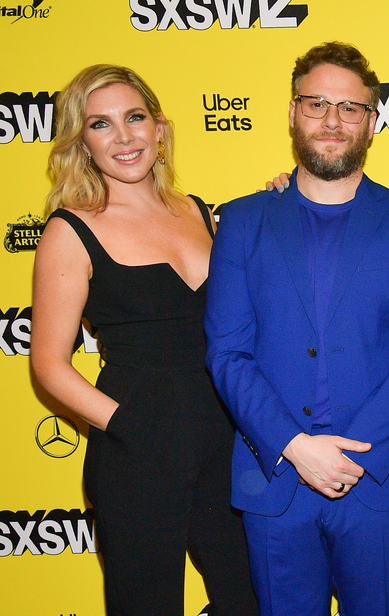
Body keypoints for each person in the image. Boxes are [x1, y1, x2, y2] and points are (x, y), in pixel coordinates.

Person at [204, 42, 389, 616]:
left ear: (372, 121)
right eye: (316, 104)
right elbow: (228, 354)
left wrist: (353, 455)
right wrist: (295, 447)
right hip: (275, 478)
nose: (332, 120)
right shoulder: (242, 221)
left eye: (349, 108)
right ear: (293, 112)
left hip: (378, 479)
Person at [29, 65, 258, 616]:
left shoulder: (200, 211)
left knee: (253, 601)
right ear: (82, 143)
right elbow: (49, 364)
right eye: (100, 124)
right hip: (136, 453)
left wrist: (280, 201)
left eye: (134, 117)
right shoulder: (70, 230)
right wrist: (133, 427)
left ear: (159, 128)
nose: (123, 137)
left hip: (228, 445)